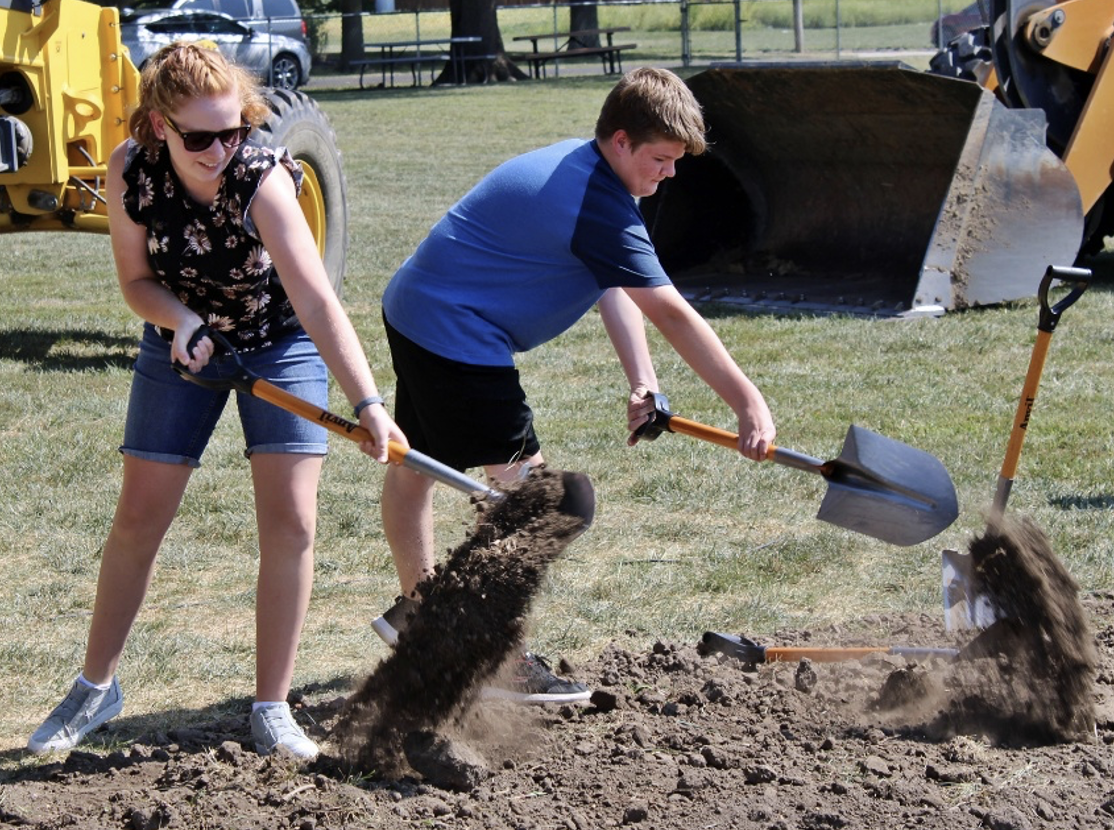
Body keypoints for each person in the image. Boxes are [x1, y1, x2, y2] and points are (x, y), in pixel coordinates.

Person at [27, 43, 406, 760]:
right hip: (181, 343)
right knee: (139, 515)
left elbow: (316, 300)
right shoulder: (131, 172)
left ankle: (271, 707)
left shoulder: (263, 181)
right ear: (157, 125)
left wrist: (368, 403)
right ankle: (95, 688)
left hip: (278, 343)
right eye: (200, 137)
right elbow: (135, 281)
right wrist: (184, 322)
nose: (219, 150)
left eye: (233, 131)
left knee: (291, 519)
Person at [372, 67, 776, 702]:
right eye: (661, 159)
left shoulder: (589, 174)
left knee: (417, 467)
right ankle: (486, 651)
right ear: (620, 140)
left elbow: (609, 282)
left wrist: (643, 381)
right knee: (548, 505)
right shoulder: (596, 202)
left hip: (420, 309)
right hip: (454, 334)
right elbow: (669, 309)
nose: (669, 174)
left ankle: (422, 613)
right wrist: (747, 402)